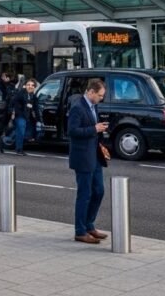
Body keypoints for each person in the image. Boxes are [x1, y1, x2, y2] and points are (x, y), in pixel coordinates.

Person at [67, 79, 109, 244]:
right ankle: (80, 231)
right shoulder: (78, 107)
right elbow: (72, 131)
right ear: (90, 92)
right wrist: (94, 129)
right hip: (82, 157)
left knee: (99, 191)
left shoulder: (93, 106)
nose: (101, 98)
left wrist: (100, 142)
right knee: (85, 194)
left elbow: (94, 131)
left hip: (94, 155)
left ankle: (89, 224)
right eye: (99, 95)